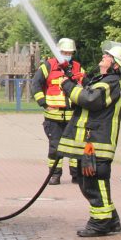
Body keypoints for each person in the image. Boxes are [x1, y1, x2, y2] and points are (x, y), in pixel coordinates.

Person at [57, 41, 121, 237]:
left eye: (108, 56)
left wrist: (68, 85)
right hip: (91, 143)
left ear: (116, 65)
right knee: (91, 183)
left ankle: (100, 222)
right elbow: (85, 95)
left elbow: (90, 99)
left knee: (94, 185)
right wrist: (72, 81)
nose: (103, 56)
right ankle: (111, 220)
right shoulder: (103, 80)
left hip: (97, 144)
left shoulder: (111, 82)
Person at [31, 38, 85, 185]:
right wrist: (43, 103)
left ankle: (76, 175)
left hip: (72, 115)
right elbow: (35, 84)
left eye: (69, 52)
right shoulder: (48, 66)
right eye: (64, 52)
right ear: (58, 52)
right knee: (55, 147)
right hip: (53, 115)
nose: (67, 54)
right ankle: (55, 175)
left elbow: (85, 86)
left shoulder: (77, 67)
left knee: (75, 147)